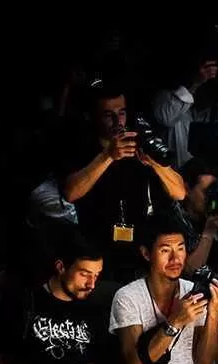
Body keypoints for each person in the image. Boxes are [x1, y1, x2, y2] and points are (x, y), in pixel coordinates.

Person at [0, 226, 115, 364]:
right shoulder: (24, 305)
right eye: (84, 274)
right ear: (61, 267)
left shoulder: (94, 309)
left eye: (96, 275)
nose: (91, 284)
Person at [58, 83, 187, 284]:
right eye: (108, 115)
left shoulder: (137, 146)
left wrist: (155, 162)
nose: (118, 121)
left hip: (139, 251)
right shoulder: (82, 148)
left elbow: (179, 192)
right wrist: (108, 156)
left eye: (122, 113)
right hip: (97, 252)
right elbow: (70, 192)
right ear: (93, 117)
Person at [110, 213, 218, 364]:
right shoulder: (127, 297)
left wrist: (214, 313)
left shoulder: (194, 290)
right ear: (146, 253)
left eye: (181, 248)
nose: (176, 259)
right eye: (165, 250)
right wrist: (174, 321)